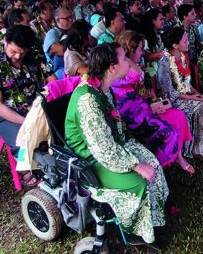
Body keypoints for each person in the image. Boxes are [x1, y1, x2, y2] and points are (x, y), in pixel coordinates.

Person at [65, 43, 168, 250]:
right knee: (137, 182)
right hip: (90, 158)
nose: (129, 61)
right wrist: (136, 165)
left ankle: (152, 219)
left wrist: (138, 157)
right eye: (123, 58)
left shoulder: (102, 87)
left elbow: (112, 132)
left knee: (153, 164)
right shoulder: (87, 99)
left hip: (111, 145)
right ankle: (132, 232)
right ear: (112, 67)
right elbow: (103, 150)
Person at [0, 25, 57, 187]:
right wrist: (26, 121)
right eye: (13, 51)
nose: (17, 56)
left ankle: (59, 164)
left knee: (64, 129)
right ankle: (28, 169)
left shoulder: (34, 55)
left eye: (22, 52)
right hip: (10, 115)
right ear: (5, 42)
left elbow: (54, 83)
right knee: (25, 140)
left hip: (38, 107)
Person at [113, 31, 194, 172]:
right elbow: (136, 81)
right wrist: (132, 64)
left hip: (147, 109)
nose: (144, 52)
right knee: (169, 132)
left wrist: (155, 103)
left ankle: (178, 157)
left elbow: (147, 90)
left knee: (178, 116)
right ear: (129, 51)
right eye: (139, 49)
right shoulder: (122, 71)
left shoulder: (137, 65)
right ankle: (155, 168)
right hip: (134, 117)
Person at [157, 27, 203, 160]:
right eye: (185, 41)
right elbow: (168, 92)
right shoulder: (165, 62)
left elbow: (187, 83)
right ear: (175, 45)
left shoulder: (182, 57)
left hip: (186, 95)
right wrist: (191, 97)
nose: (188, 44)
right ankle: (199, 150)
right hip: (174, 100)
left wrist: (196, 93)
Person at [44, 6, 75, 79]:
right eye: (67, 18)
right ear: (58, 20)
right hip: (62, 69)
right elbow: (54, 49)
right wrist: (77, 50)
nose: (70, 20)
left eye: (71, 17)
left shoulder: (75, 29)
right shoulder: (53, 32)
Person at [139, 8, 166, 77]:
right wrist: (164, 53)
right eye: (161, 19)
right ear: (153, 20)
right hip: (151, 71)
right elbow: (146, 57)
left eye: (163, 19)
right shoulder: (145, 37)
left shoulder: (160, 34)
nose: (163, 21)